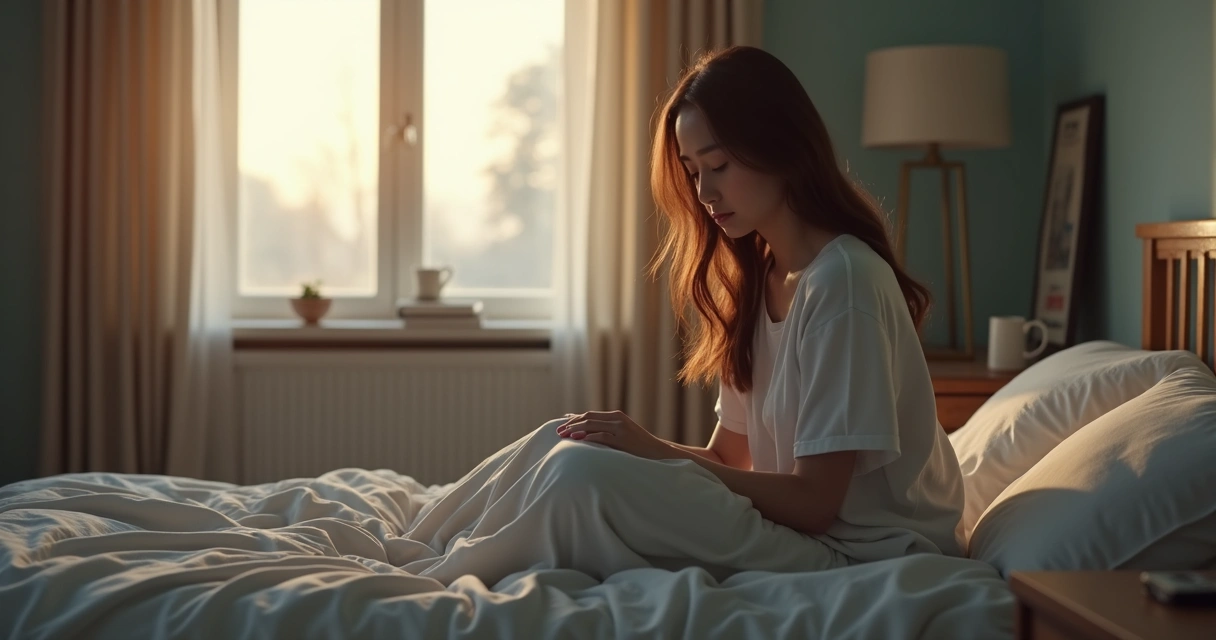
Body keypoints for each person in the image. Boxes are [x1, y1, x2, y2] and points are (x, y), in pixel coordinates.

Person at [555, 45, 965, 563]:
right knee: (572, 452)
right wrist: (632, 446)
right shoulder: (759, 280)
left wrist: (653, 452)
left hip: (864, 552)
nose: (704, 192)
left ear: (781, 148)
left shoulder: (844, 282)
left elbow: (815, 503)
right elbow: (729, 458)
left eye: (718, 165)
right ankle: (442, 546)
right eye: (692, 170)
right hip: (803, 535)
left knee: (581, 481)